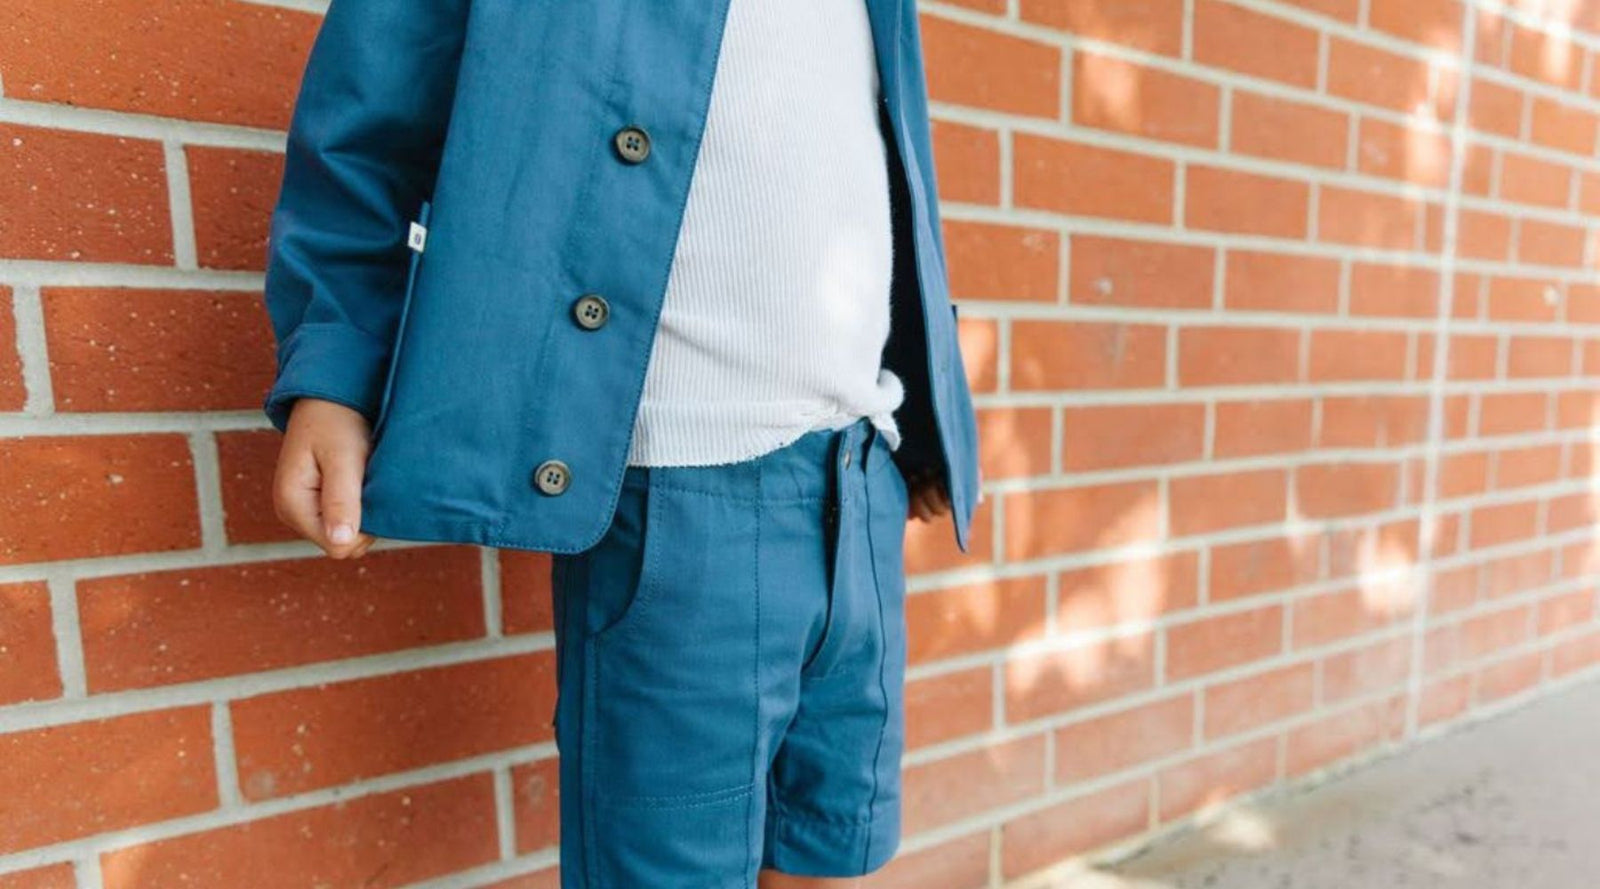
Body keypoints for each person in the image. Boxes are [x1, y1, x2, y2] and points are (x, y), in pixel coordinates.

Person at [260, 0, 980, 885]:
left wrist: (927, 394)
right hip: (682, 488)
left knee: (833, 849)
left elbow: (870, 154)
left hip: (862, 469)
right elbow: (368, 119)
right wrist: (337, 369)